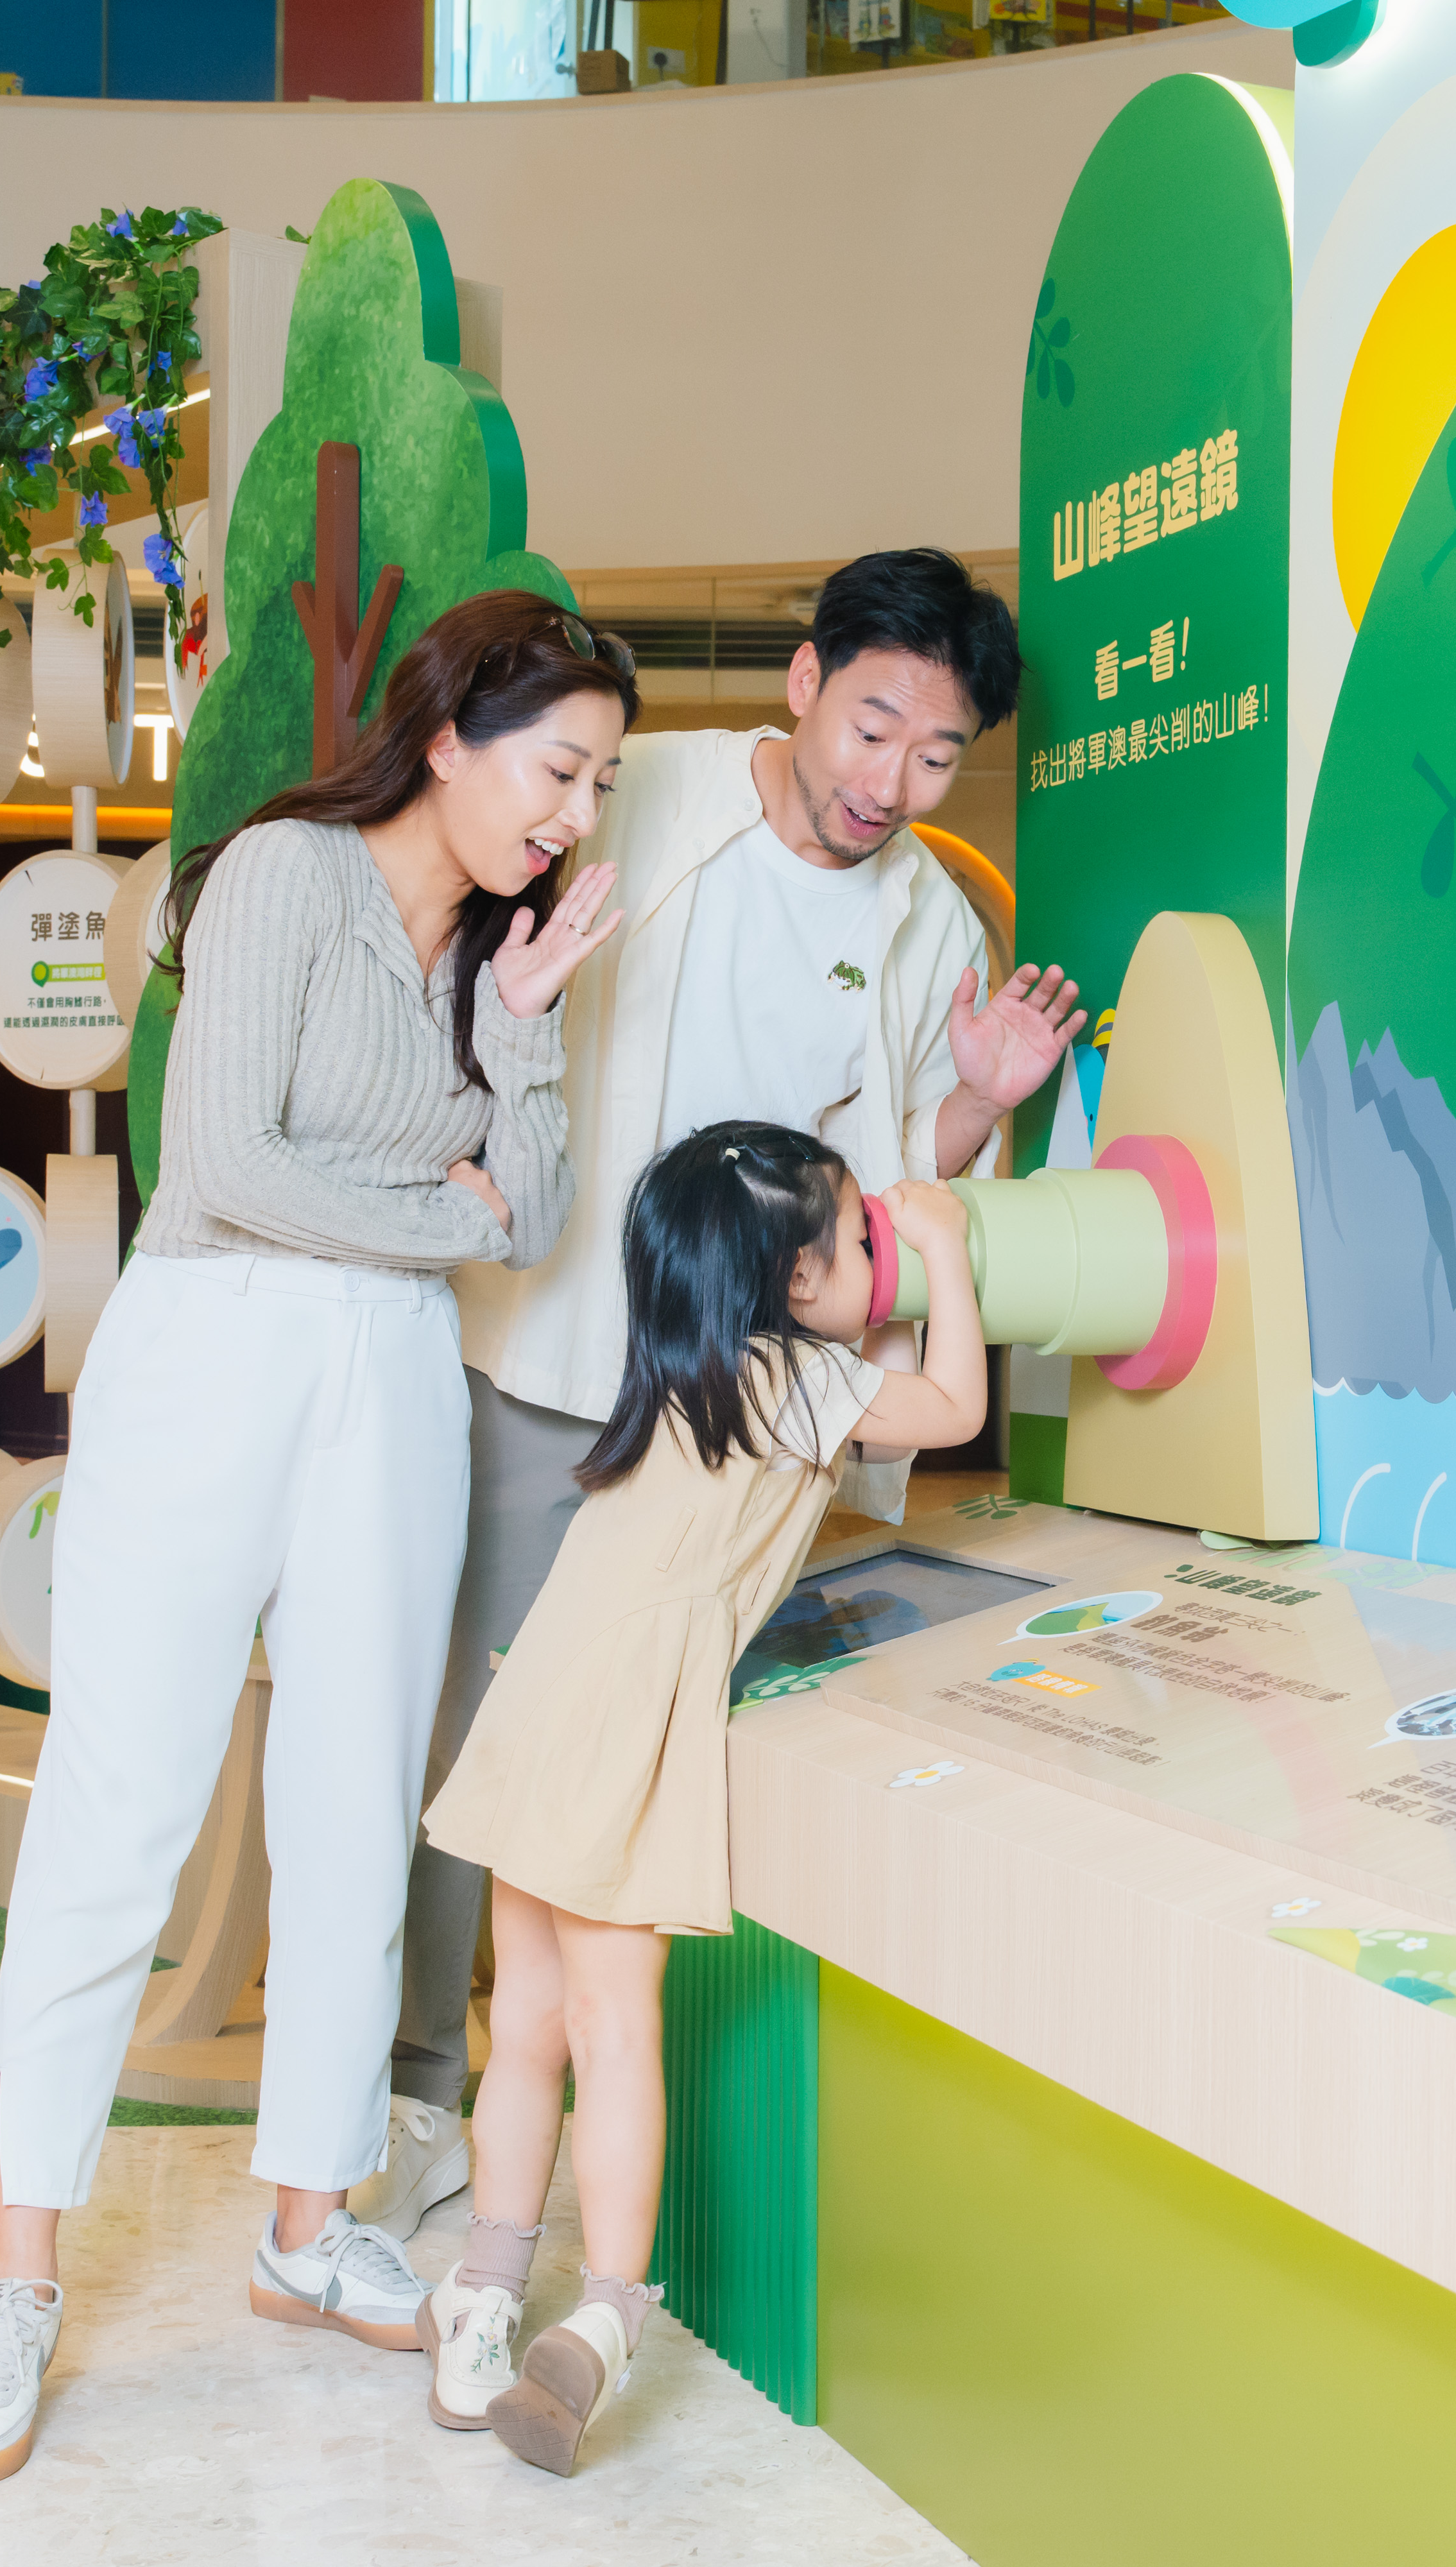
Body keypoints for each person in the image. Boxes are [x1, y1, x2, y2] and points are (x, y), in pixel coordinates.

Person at [0, 592, 641, 2489]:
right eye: (560, 769)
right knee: (123, 1800)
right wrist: (450, 1215)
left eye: (600, 786)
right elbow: (229, 1167)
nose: (575, 815)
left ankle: (310, 2222)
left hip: (392, 1375)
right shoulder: (279, 879)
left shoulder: (499, 954)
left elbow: (540, 1204)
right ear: (452, 733)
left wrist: (524, 1032)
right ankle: (15, 2273)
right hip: (213, 1341)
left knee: (356, 1809)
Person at [354, 548, 1082, 2229]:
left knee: (665, 1746)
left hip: (743, 1416)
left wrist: (979, 1103)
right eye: (873, 726)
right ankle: (416, 2091)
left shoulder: (932, 919)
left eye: (937, 753)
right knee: (480, 1727)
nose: (890, 780)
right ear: (804, 681)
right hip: (557, 1357)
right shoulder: (645, 793)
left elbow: (901, 1174)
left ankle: (600, 2126)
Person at [413, 1122, 990, 2472]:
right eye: (859, 1238)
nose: (880, 1252)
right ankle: (605, 2316)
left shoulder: (698, 1368)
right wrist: (950, 1248)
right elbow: (955, 1407)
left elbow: (870, 1370)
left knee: (531, 2021)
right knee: (617, 2027)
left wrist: (875, 1278)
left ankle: (483, 2298)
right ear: (795, 1281)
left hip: (541, 1691)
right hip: (623, 1725)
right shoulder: (803, 1382)